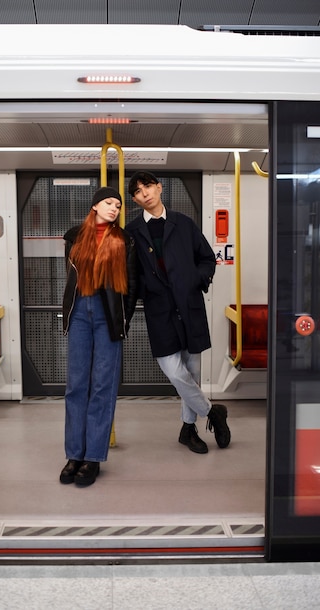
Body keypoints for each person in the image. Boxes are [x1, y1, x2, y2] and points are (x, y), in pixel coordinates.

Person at [126, 171, 230, 454]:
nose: (144, 193)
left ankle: (188, 429)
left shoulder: (183, 223)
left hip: (189, 306)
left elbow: (207, 258)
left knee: (192, 371)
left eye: (148, 186)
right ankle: (212, 412)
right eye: (137, 191)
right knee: (175, 371)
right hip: (159, 311)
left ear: (159, 188)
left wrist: (195, 280)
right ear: (135, 200)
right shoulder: (132, 231)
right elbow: (131, 276)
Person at [60, 186, 137, 486]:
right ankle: (74, 455)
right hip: (80, 311)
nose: (115, 208)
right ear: (94, 206)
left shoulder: (124, 240)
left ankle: (93, 457)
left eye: (118, 205)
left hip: (108, 317)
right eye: (109, 203)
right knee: (76, 386)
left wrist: (123, 319)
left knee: (103, 387)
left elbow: (131, 288)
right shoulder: (74, 236)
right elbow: (71, 279)